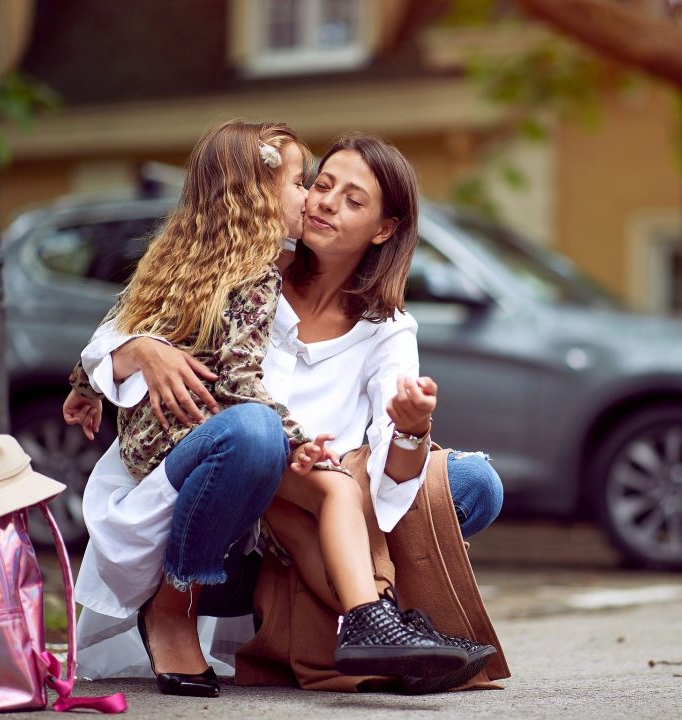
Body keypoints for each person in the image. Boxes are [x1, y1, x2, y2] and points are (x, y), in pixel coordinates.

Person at [67, 132, 505, 694]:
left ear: (383, 229)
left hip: (310, 492)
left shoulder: (388, 330)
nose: (325, 202)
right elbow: (119, 336)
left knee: (473, 484)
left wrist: (412, 431)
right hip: (219, 512)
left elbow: (392, 476)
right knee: (260, 439)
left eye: (353, 199)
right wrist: (142, 349)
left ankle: (380, 629)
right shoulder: (247, 266)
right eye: (320, 185)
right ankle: (363, 623)